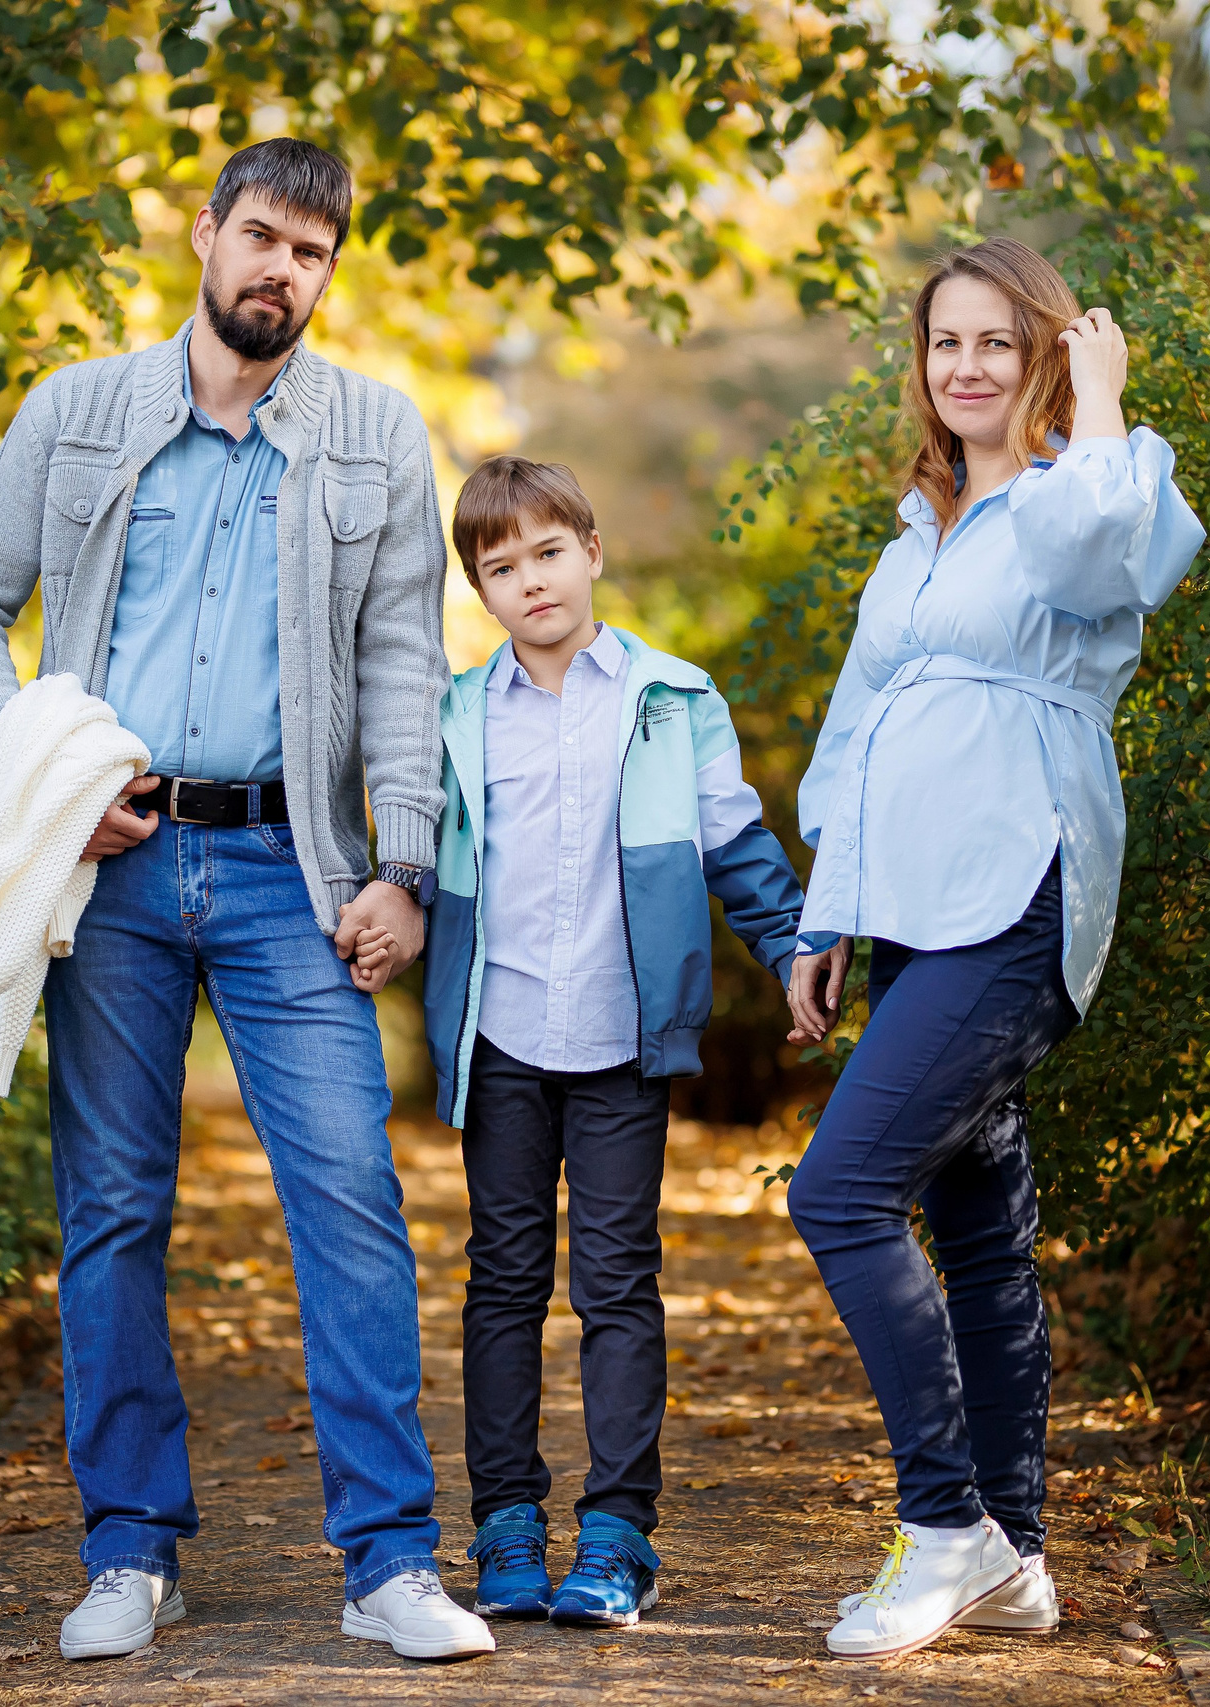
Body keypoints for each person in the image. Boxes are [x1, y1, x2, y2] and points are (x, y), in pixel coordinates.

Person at [0, 138, 494, 1663]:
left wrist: (406, 861)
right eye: (259, 238)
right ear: (204, 234)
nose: (279, 273)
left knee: (352, 1204)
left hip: (285, 870)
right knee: (112, 1209)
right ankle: (130, 1546)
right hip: (104, 865)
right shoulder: (81, 408)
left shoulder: (377, 437)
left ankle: (386, 1562)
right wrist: (43, 770)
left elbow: (399, 667)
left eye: (310, 253)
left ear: (329, 269)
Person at [780, 237, 1206, 1659]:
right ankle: (1016, 1550)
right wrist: (825, 909)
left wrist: (1099, 395)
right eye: (944, 344)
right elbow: (852, 724)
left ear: (1042, 356)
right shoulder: (921, 530)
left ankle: (945, 1518)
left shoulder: (1097, 485)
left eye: (997, 345)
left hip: (1020, 888)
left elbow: (1102, 559)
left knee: (840, 1190)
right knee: (977, 1231)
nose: (965, 368)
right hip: (907, 900)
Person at [368, 456, 803, 1630]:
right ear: (481, 591)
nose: (530, 581)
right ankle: (505, 1527)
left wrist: (793, 946)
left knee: (618, 1285)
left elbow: (736, 846)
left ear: (593, 552)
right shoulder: (455, 714)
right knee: (502, 1286)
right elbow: (408, 849)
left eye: (548, 553)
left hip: (620, 1040)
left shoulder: (672, 701)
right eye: (500, 568)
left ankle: (618, 1537)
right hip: (501, 1037)